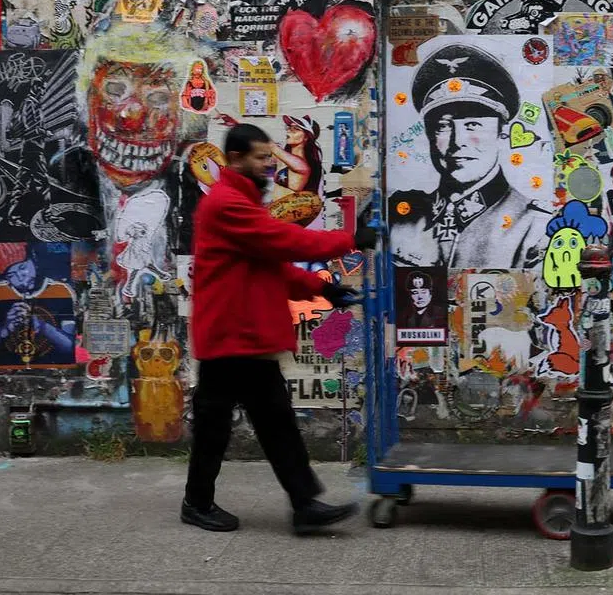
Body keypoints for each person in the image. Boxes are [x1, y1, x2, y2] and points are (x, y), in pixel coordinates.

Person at [182, 123, 377, 535]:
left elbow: (270, 265)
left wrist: (323, 289)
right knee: (224, 425)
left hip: (243, 334)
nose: (268, 165)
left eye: (269, 157)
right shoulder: (226, 204)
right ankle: (201, 503)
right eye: (260, 158)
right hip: (230, 334)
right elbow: (283, 241)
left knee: (271, 421)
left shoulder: (241, 202)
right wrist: (348, 238)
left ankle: (302, 505)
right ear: (236, 159)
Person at [388, 43, 550, 269]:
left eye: (473, 125)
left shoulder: (535, 229)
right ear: (428, 134)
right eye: (443, 126)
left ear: (502, 133)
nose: (457, 142)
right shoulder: (400, 217)